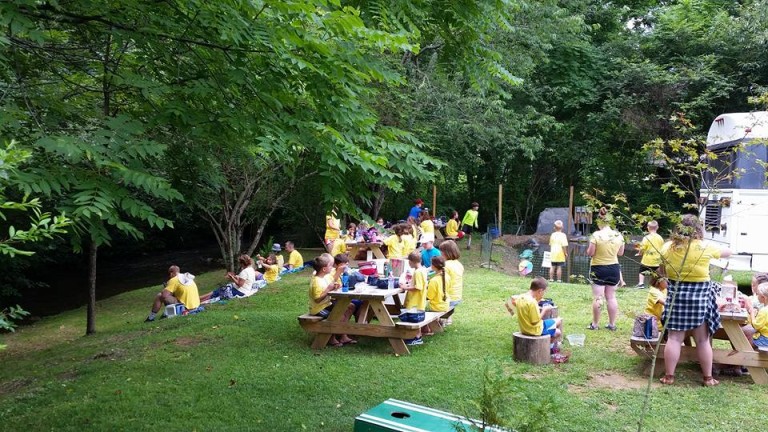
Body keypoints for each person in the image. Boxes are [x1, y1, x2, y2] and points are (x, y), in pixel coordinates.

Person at [659, 214, 731, 387]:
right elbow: (728, 252)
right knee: (703, 340)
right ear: (698, 229)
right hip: (700, 299)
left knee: (674, 338)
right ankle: (707, 378)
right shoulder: (704, 246)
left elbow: (661, 271)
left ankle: (669, 376)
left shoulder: (668, 247)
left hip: (677, 296)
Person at [586, 208, 625, 331]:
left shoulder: (596, 235)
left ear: (600, 222)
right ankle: (612, 324)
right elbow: (620, 253)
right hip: (613, 268)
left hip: (598, 268)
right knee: (611, 297)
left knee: (598, 297)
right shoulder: (618, 235)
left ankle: (595, 324)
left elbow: (590, 253)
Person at [307, 255, 356, 346]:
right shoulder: (316, 281)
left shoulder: (325, 277)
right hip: (318, 309)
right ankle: (331, 337)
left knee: (350, 306)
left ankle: (342, 335)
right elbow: (317, 299)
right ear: (324, 269)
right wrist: (328, 290)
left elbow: (332, 281)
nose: (332, 267)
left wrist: (334, 286)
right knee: (339, 316)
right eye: (330, 265)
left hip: (327, 304)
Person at [505, 277, 563, 349]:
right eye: (544, 292)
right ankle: (548, 348)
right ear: (540, 291)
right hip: (535, 330)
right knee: (558, 330)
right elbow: (535, 322)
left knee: (558, 321)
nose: (543, 294)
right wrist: (544, 310)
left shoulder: (521, 297)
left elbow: (508, 303)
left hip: (524, 329)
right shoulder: (532, 302)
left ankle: (551, 340)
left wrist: (512, 312)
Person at [401, 251, 429, 346]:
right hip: (419, 300)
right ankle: (418, 336)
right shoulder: (422, 270)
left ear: (412, 261)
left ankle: (416, 337)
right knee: (416, 319)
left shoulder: (417, 272)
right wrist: (409, 284)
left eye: (409, 261)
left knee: (413, 319)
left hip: (415, 301)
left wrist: (405, 288)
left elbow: (418, 287)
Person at [439, 239, 464, 326]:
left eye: (441, 252)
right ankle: (448, 318)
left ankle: (443, 320)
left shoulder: (446, 265)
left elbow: (442, 282)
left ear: (446, 253)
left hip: (449, 297)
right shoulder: (458, 264)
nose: (440, 254)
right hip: (457, 296)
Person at [636, 220, 664, 288]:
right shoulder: (660, 238)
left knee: (642, 271)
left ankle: (641, 284)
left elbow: (642, 248)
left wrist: (639, 253)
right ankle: (656, 285)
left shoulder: (646, 238)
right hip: (657, 260)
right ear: (657, 227)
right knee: (657, 273)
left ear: (648, 227)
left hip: (647, 259)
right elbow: (663, 249)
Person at [426, 256, 451, 321]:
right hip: (445, 305)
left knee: (419, 307)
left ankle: (426, 327)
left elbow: (429, 297)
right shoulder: (447, 276)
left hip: (436, 307)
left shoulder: (434, 281)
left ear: (434, 266)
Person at [744, 282, 768, 349]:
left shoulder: (764, 310)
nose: (757, 296)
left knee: (743, 340)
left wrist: (751, 312)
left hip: (765, 340)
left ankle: (747, 357)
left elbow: (756, 326)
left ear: (763, 297)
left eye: (758, 294)